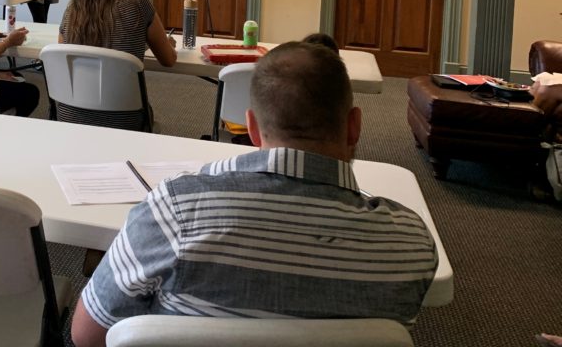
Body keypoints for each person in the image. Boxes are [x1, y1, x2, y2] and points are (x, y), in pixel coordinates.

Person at [71, 41, 438, 347]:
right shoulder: (411, 243)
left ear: (252, 129)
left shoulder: (174, 211)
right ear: (354, 126)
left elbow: (87, 335)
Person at [57, 0, 176, 129]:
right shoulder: (139, 4)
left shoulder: (73, 10)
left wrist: (135, 43)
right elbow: (168, 60)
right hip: (124, 118)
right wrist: (166, 44)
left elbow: (63, 55)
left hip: (71, 115)